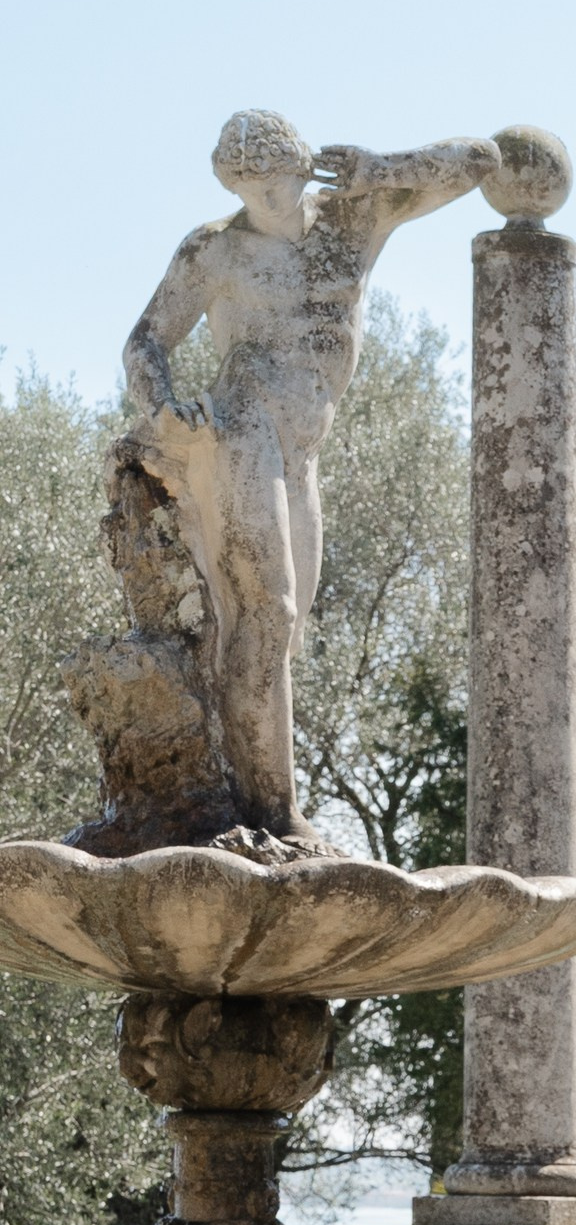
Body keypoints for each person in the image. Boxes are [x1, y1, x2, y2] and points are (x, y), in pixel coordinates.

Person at [122, 112, 499, 836]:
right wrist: (164, 406)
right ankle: (273, 813)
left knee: (281, 636)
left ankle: (246, 792)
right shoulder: (216, 251)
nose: (264, 198)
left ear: (304, 166)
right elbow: (146, 341)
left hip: (300, 451)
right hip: (242, 425)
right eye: (246, 185)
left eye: (276, 181)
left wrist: (380, 168)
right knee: (268, 613)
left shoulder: (355, 215)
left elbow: (477, 159)